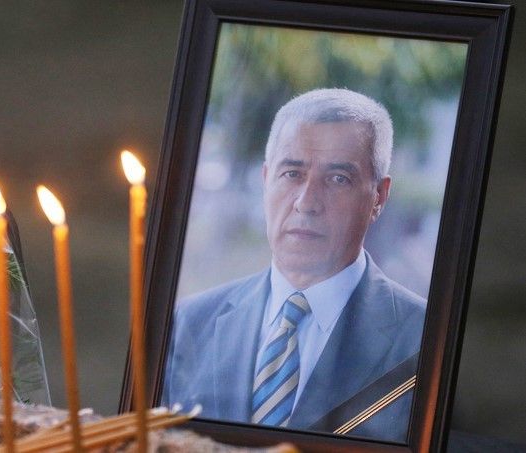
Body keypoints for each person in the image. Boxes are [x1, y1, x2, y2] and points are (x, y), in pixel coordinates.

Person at [162, 88, 426, 442]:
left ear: (379, 196)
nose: (307, 202)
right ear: (266, 180)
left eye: (338, 179)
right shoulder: (188, 324)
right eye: (291, 173)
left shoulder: (426, 340)